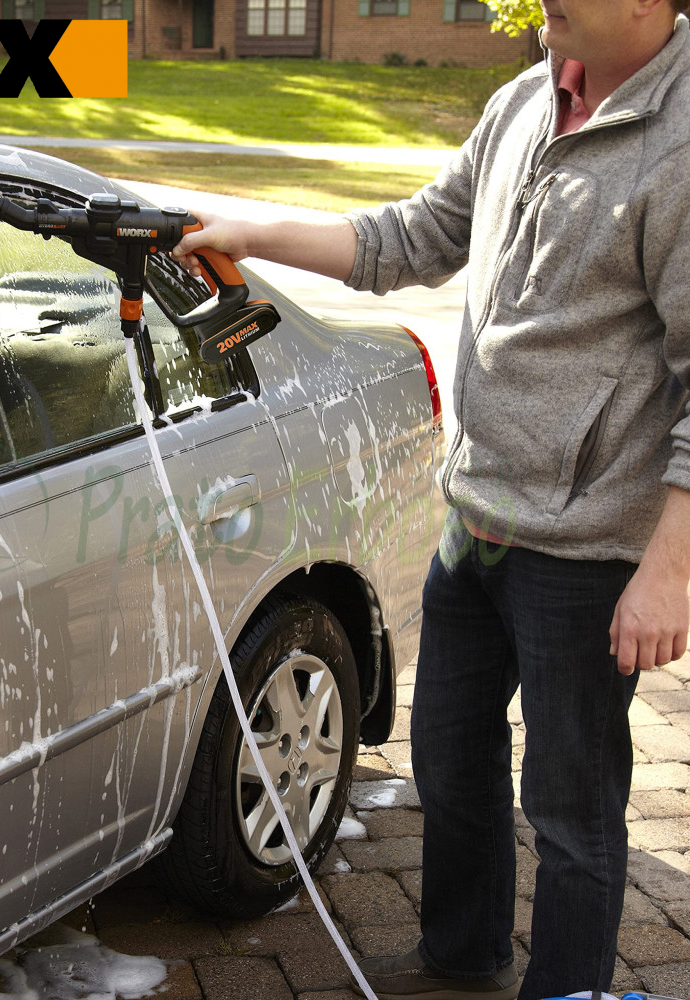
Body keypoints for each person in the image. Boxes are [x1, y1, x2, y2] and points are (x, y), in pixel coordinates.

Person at [173, 3, 690, 1000]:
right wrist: (247, 229)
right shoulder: (526, 98)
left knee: (570, 809)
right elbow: (411, 237)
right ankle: (461, 960)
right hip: (479, 522)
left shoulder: (679, 147)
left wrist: (668, 570)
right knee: (448, 760)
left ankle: (568, 988)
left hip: (589, 551)